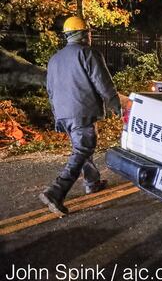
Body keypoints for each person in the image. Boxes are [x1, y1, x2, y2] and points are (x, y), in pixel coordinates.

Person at [39, 16, 121, 216]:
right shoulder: (88, 53)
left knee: (81, 148)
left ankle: (92, 182)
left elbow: (50, 91)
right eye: (88, 32)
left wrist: (58, 115)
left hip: (63, 113)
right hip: (81, 111)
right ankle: (56, 191)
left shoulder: (55, 59)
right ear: (83, 34)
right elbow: (103, 84)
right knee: (84, 147)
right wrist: (117, 107)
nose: (90, 36)